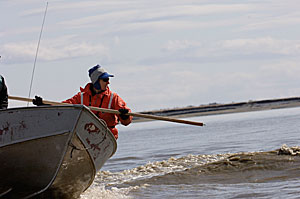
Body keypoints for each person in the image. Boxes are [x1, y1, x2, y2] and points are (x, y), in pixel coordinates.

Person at [33, 65, 132, 140]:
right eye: (105, 80)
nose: (108, 82)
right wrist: (44, 104)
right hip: (86, 136)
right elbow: (62, 106)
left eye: (108, 80)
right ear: (96, 81)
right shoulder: (80, 97)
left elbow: (126, 122)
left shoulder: (113, 98)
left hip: (106, 138)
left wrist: (125, 116)